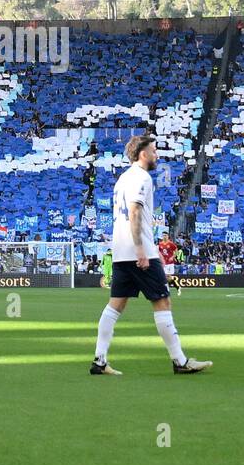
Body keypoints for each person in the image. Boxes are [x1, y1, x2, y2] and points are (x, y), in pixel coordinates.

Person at [90, 135, 211, 376]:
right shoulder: (141, 177)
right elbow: (134, 212)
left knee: (116, 304)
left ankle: (99, 360)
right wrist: (140, 250)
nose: (157, 155)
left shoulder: (122, 179)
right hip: (139, 250)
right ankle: (180, 361)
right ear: (143, 154)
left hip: (120, 251)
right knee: (162, 301)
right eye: (154, 150)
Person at [157, 230, 181, 296]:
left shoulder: (170, 243)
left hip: (170, 263)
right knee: (166, 277)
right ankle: (170, 289)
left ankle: (176, 288)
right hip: (164, 263)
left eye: (165, 235)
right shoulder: (160, 244)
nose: (164, 237)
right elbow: (159, 252)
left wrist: (172, 257)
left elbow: (176, 250)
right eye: (163, 235)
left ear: (168, 236)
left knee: (168, 277)